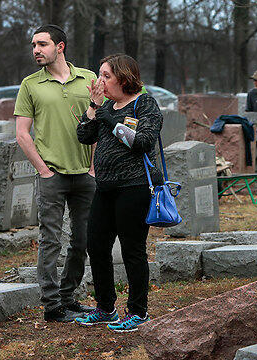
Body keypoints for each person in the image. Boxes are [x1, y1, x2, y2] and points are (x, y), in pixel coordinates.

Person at [74, 54, 162, 332]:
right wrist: (94, 107)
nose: (99, 81)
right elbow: (84, 136)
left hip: (134, 187)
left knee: (132, 250)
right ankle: (105, 307)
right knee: (96, 246)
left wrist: (107, 116)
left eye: (105, 76)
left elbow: (141, 141)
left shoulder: (144, 103)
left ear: (124, 78)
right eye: (99, 75)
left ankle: (138, 311)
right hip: (105, 187)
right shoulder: (106, 106)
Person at [14, 24, 96, 322]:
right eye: (33, 45)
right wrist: (43, 170)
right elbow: (22, 133)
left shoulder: (88, 78)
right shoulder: (30, 84)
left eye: (42, 44)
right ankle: (51, 305)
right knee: (50, 240)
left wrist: (93, 165)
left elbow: (100, 121)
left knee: (83, 239)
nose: (36, 50)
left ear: (60, 47)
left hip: (85, 174)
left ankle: (69, 297)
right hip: (52, 175)